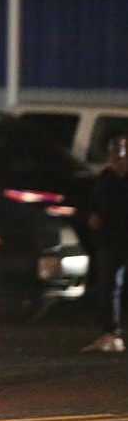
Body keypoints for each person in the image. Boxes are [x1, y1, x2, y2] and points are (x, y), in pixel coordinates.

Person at [83, 134, 128, 353]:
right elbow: (95, 206)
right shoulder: (106, 178)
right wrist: (94, 216)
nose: (118, 160)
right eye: (115, 155)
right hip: (111, 239)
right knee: (109, 287)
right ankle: (111, 334)